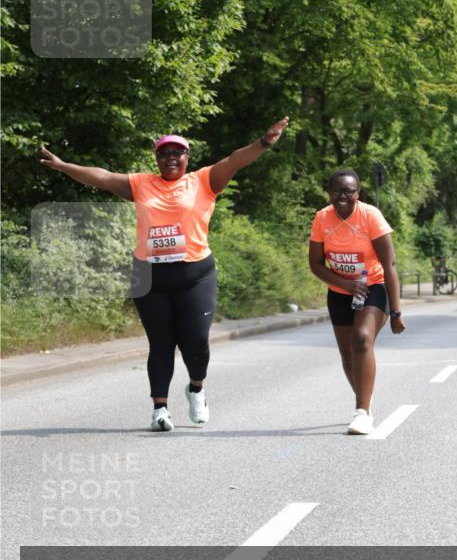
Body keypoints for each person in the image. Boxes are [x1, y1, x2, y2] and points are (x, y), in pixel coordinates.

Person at [39, 118, 289, 431]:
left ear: (187, 158)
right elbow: (102, 177)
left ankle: (196, 389)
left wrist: (264, 142)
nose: (171, 157)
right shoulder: (141, 183)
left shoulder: (204, 181)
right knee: (160, 344)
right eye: (164, 153)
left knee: (195, 342)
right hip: (150, 276)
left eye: (177, 152)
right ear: (157, 159)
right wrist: (64, 166)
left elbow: (234, 160)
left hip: (195, 274)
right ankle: (159, 409)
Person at [309, 169, 405, 435]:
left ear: (358, 194)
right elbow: (315, 265)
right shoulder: (322, 218)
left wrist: (396, 312)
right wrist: (347, 285)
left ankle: (361, 412)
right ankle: (366, 400)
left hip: (373, 287)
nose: (343, 196)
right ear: (329, 193)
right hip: (340, 292)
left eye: (349, 192)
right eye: (337, 191)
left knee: (362, 340)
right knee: (348, 355)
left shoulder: (370, 216)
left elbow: (390, 265)